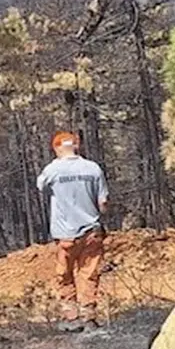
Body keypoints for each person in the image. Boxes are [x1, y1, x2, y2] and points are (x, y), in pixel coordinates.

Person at [36, 131, 109, 332]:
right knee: (89, 274)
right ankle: (89, 318)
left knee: (64, 275)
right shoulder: (93, 168)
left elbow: (40, 186)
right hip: (92, 232)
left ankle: (71, 317)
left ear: (57, 148)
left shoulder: (53, 170)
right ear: (76, 146)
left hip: (65, 235)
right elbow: (103, 203)